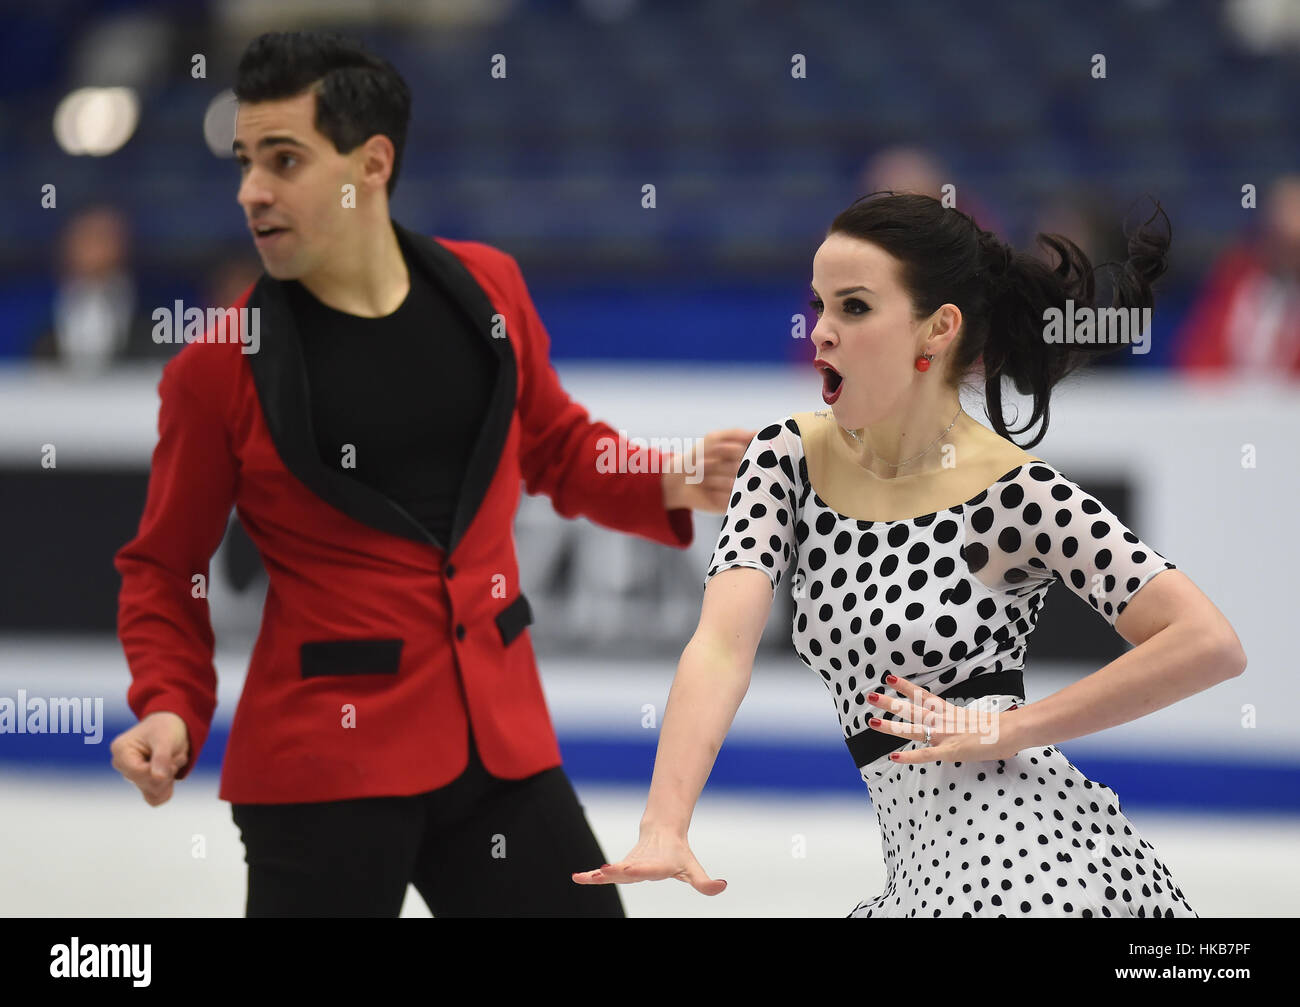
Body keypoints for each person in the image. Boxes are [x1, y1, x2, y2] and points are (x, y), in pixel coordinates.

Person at [108, 30, 754, 918]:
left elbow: (557, 446)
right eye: (246, 160)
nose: (251, 189)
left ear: (371, 163)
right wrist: (170, 702)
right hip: (323, 767)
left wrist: (668, 479)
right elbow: (163, 563)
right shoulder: (217, 367)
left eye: (284, 159)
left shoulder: (486, 289)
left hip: (498, 746)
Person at [575, 192, 1248, 917]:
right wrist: (664, 823)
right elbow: (718, 647)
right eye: (819, 304)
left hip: (1037, 870)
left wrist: (1014, 724)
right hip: (924, 875)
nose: (821, 331)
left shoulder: (1012, 492)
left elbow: (1209, 642)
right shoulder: (786, 459)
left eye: (854, 308)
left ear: (939, 328)